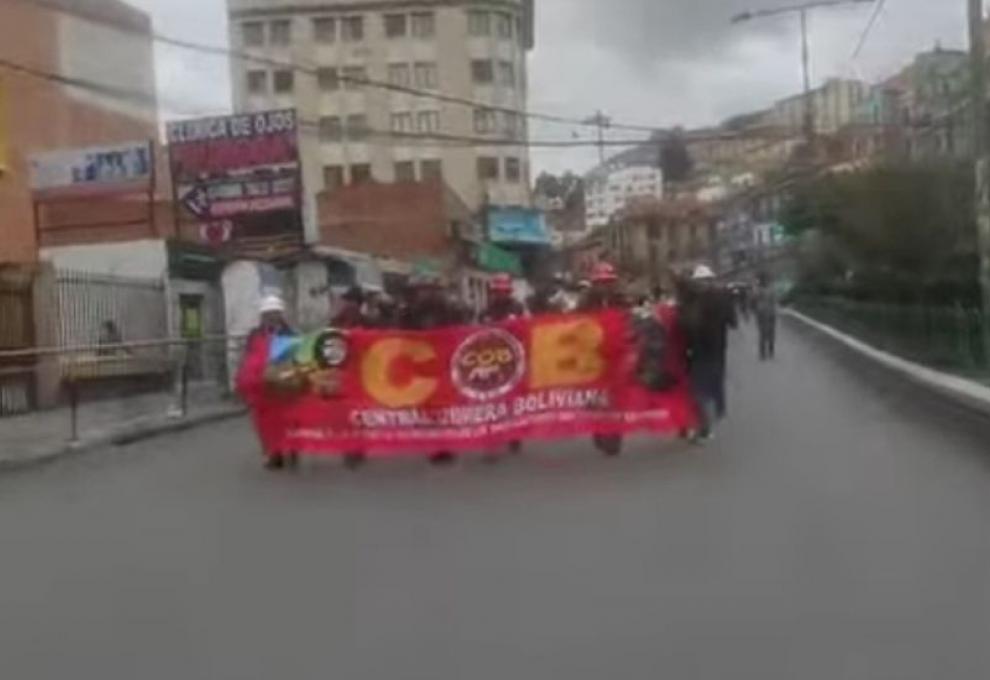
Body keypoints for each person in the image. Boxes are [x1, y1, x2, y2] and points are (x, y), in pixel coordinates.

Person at [399, 273, 463, 465]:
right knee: (426, 407)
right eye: (421, 290)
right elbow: (398, 334)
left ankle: (443, 445)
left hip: (442, 362)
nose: (425, 294)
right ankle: (434, 444)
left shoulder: (449, 310)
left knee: (442, 406)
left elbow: (459, 332)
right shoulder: (408, 312)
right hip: (420, 362)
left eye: (428, 290)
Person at [679, 265, 737, 441]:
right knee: (714, 379)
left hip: (697, 348)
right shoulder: (722, 297)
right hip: (715, 347)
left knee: (699, 387)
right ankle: (717, 410)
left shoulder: (690, 299)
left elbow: (682, 323)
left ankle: (704, 424)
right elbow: (733, 322)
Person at [244, 294, 300, 470]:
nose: (271, 317)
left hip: (285, 383)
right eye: (268, 314)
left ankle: (291, 447)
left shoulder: (290, 335)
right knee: (266, 421)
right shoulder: (255, 335)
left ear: (280, 314)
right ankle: (274, 454)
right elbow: (249, 357)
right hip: (263, 384)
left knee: (288, 418)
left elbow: (298, 357)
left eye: (275, 313)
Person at [578, 262, 628, 457]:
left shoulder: (621, 300)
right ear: (594, 283)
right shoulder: (585, 302)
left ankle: (615, 436)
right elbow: (574, 323)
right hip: (592, 355)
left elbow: (630, 320)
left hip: (616, 354)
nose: (605, 286)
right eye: (601, 282)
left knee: (616, 398)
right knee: (595, 398)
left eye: (608, 282)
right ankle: (598, 430)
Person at [754, 272, 778, 360]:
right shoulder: (759, 289)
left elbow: (774, 301)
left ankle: (769, 351)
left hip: (769, 313)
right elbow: (755, 298)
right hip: (763, 314)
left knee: (770, 333)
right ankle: (764, 352)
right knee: (763, 333)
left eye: (767, 279)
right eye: (765, 279)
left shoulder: (770, 289)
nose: (766, 281)